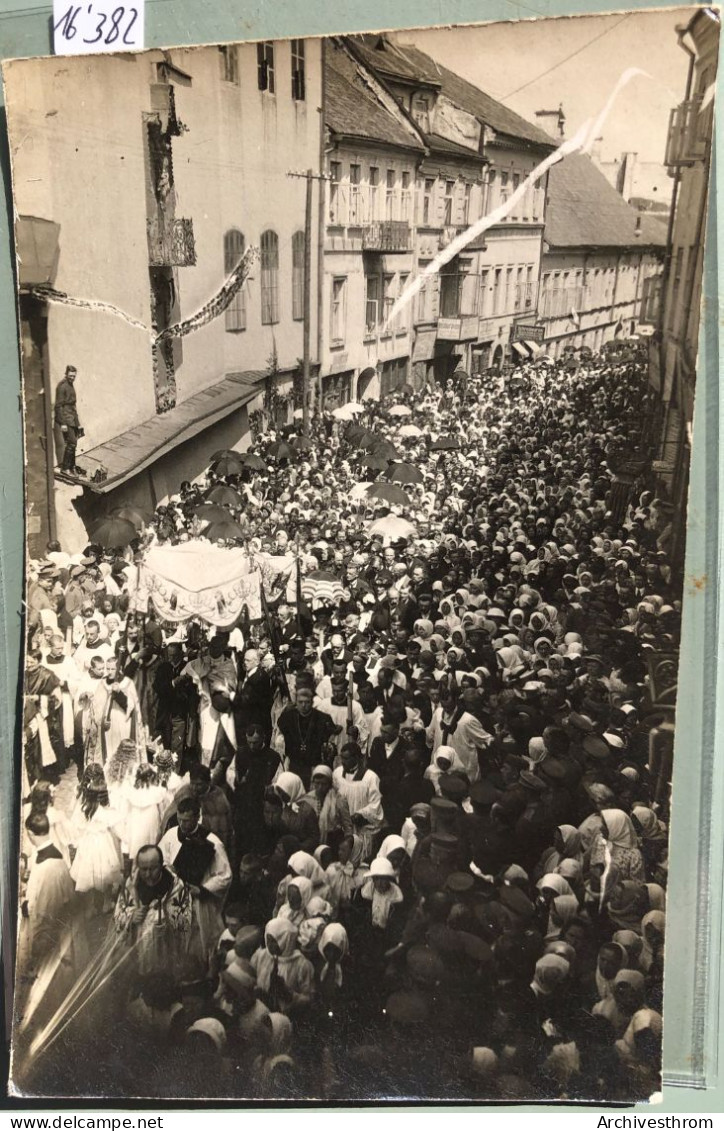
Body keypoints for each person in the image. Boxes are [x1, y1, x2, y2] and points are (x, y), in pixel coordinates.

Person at [157, 796, 232, 984]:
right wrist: (169, 872)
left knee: (201, 940)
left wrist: (203, 889)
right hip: (175, 897)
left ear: (197, 817)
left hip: (199, 902)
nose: (182, 824)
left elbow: (225, 876)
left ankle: (202, 977)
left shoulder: (212, 842)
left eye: (187, 820)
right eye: (180, 819)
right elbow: (162, 860)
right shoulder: (171, 835)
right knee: (177, 937)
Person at [113, 844, 193, 981]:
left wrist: (166, 921)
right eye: (143, 869)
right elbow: (119, 914)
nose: (148, 874)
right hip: (139, 952)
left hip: (167, 954)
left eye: (153, 868)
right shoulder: (131, 885)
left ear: (161, 865)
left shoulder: (176, 887)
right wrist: (131, 918)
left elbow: (185, 921)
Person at [22, 812, 75, 972]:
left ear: (30, 834)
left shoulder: (50, 865)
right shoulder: (52, 855)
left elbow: (45, 912)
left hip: (47, 937)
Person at [54, 365, 84, 474]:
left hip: (72, 418)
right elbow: (58, 406)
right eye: (70, 375)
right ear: (66, 374)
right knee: (71, 443)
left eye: (74, 376)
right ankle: (65, 468)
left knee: (73, 443)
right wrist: (63, 423)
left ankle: (72, 467)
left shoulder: (70, 385)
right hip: (66, 419)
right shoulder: (62, 387)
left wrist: (78, 423)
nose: (72, 378)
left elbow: (73, 406)